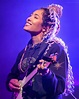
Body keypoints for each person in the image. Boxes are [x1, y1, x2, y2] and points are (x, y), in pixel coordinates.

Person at [6, 4, 74, 99]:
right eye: (30, 15)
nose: (28, 19)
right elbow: (13, 75)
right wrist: (10, 82)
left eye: (35, 17)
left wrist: (47, 74)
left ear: (45, 27)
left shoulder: (55, 48)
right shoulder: (24, 52)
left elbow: (60, 87)